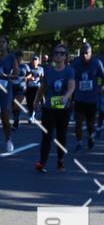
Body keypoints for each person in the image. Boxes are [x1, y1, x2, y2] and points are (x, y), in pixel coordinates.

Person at [34, 45, 75, 173]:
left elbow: (71, 87)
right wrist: (36, 100)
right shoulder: (48, 70)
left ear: (65, 56)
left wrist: (66, 97)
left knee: (61, 135)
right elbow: (42, 87)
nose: (58, 55)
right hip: (49, 108)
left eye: (61, 53)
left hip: (63, 109)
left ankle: (60, 161)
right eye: (56, 53)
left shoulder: (69, 71)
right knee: (46, 135)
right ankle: (42, 162)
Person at [70, 42, 104, 150]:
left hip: (92, 99)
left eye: (87, 53)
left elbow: (103, 77)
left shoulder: (97, 63)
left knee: (90, 124)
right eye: (82, 53)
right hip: (79, 98)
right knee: (78, 122)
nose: (84, 56)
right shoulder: (75, 63)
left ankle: (90, 136)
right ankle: (79, 142)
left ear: (91, 53)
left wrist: (101, 87)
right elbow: (69, 77)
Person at [11, 51, 29, 129]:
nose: (18, 59)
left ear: (22, 58)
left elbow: (30, 73)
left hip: (21, 87)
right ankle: (16, 117)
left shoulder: (24, 66)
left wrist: (26, 78)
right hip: (12, 87)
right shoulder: (12, 66)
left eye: (20, 58)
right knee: (13, 105)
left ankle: (16, 121)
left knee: (17, 104)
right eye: (17, 58)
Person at [25, 55, 44, 123]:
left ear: (38, 61)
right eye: (33, 60)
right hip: (29, 87)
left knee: (34, 102)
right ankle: (31, 113)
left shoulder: (41, 68)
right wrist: (29, 78)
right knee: (29, 102)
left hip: (37, 87)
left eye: (36, 60)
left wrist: (42, 85)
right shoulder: (29, 68)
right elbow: (26, 77)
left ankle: (32, 115)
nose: (34, 61)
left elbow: (42, 78)